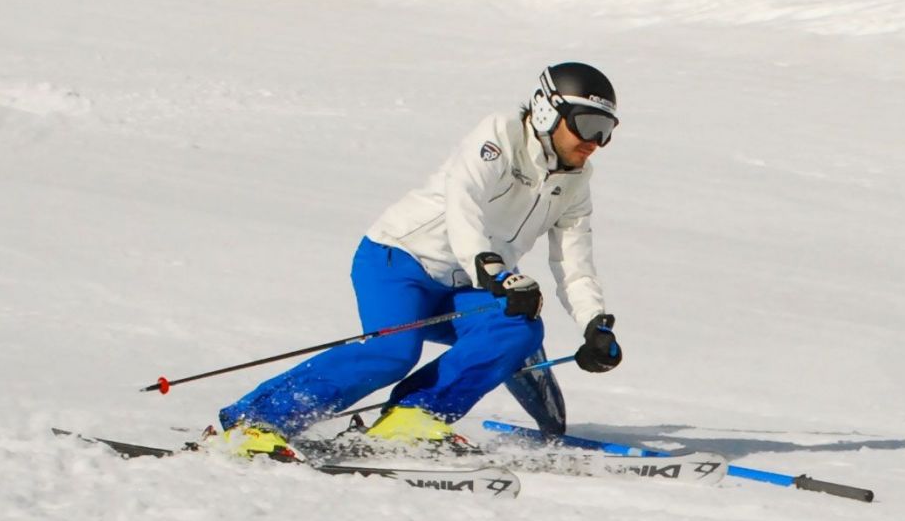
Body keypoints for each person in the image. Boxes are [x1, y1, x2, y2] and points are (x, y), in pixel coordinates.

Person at [217, 62, 623, 458]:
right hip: (398, 260)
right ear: (548, 109)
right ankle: (255, 421)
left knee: (518, 330)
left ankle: (413, 417)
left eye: (605, 132)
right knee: (393, 352)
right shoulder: (500, 135)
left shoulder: (575, 184)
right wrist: (493, 271)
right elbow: (463, 202)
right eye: (588, 125)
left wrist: (594, 325)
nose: (595, 142)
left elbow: (573, 264)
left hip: (465, 283)